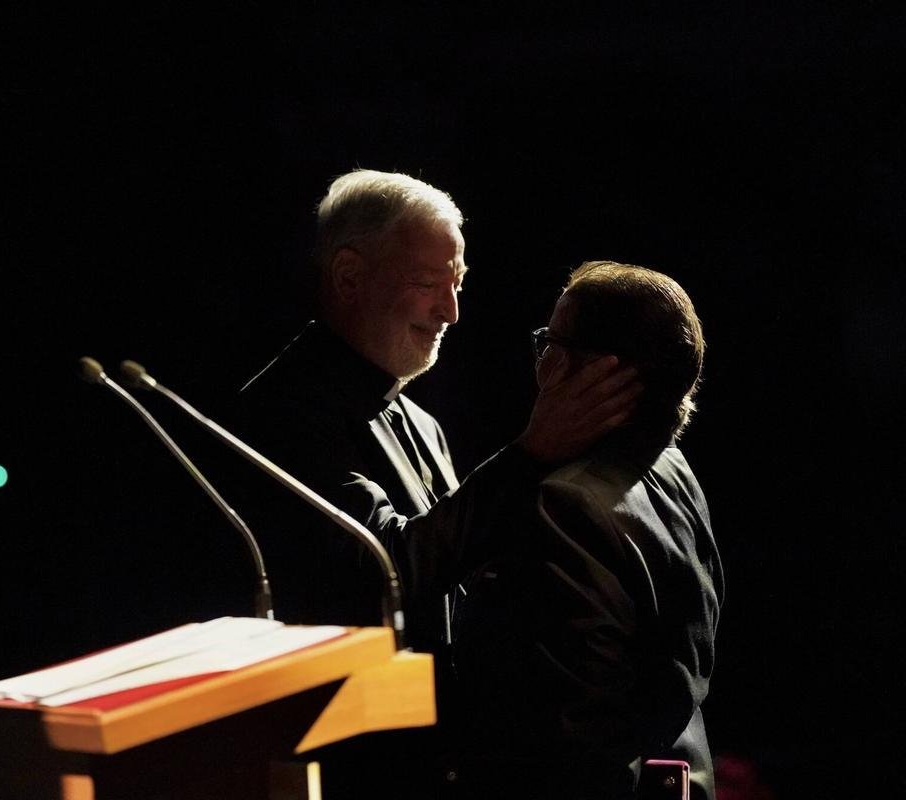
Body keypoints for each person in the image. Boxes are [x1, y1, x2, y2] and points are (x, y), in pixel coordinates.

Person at [228, 171, 641, 798]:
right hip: (352, 772)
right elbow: (384, 570)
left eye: (458, 284)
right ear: (348, 276)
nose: (451, 311)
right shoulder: (282, 414)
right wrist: (531, 454)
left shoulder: (421, 421)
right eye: (428, 283)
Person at [452, 261, 725, 800]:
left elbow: (574, 735)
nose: (542, 360)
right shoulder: (673, 465)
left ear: (603, 374)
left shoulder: (567, 503)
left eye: (552, 343)